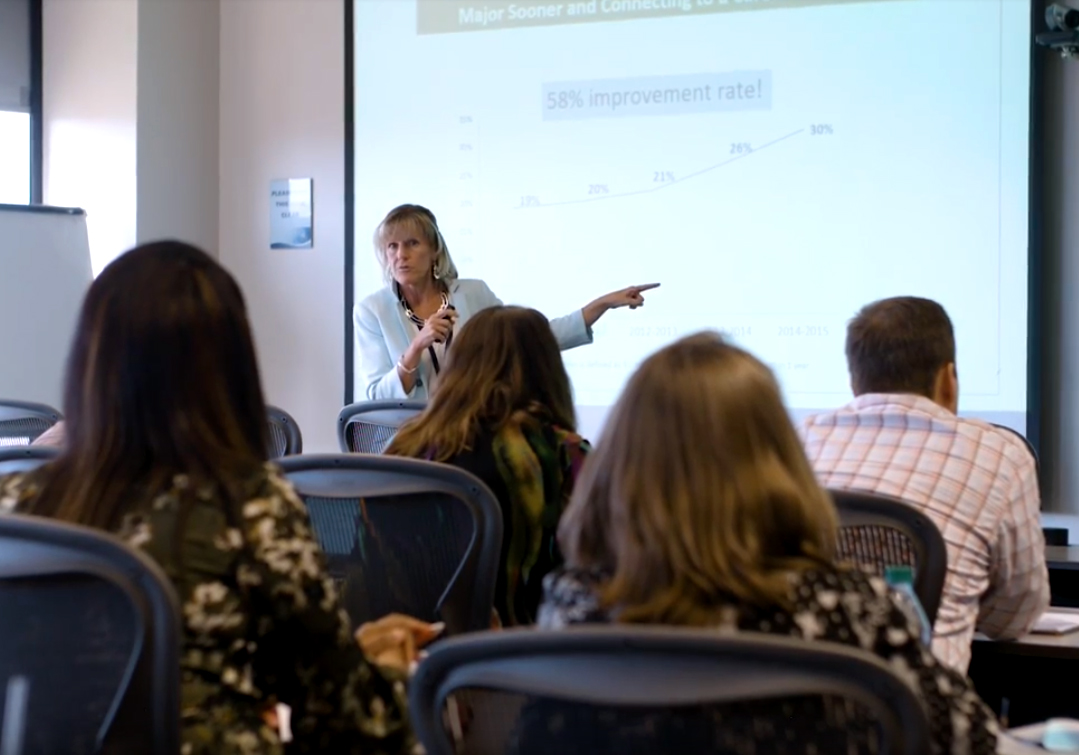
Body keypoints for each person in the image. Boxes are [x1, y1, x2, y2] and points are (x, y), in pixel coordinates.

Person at [0, 241, 436, 755]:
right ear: (229, 369)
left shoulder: (13, 504)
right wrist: (390, 669)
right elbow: (346, 722)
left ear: (89, 360)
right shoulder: (249, 509)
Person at [533, 332, 996, 755]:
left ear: (619, 467)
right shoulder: (852, 611)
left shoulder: (573, 607)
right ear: (781, 461)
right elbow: (970, 739)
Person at [801, 296, 1048, 673]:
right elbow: (1014, 616)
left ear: (854, 381)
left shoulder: (798, 441)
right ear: (948, 379)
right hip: (916, 697)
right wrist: (957, 601)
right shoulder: (1001, 453)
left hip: (798, 688)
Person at [386, 306, 588, 626]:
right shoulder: (565, 454)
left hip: (416, 645)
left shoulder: (404, 448)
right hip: (532, 646)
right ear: (548, 372)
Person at [354, 204, 659, 400]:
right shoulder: (372, 311)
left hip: (473, 431)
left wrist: (601, 305)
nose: (401, 255)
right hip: (410, 442)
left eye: (412, 243)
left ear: (434, 250)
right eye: (392, 246)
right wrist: (416, 346)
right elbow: (377, 397)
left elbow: (527, 338)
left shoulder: (472, 294)